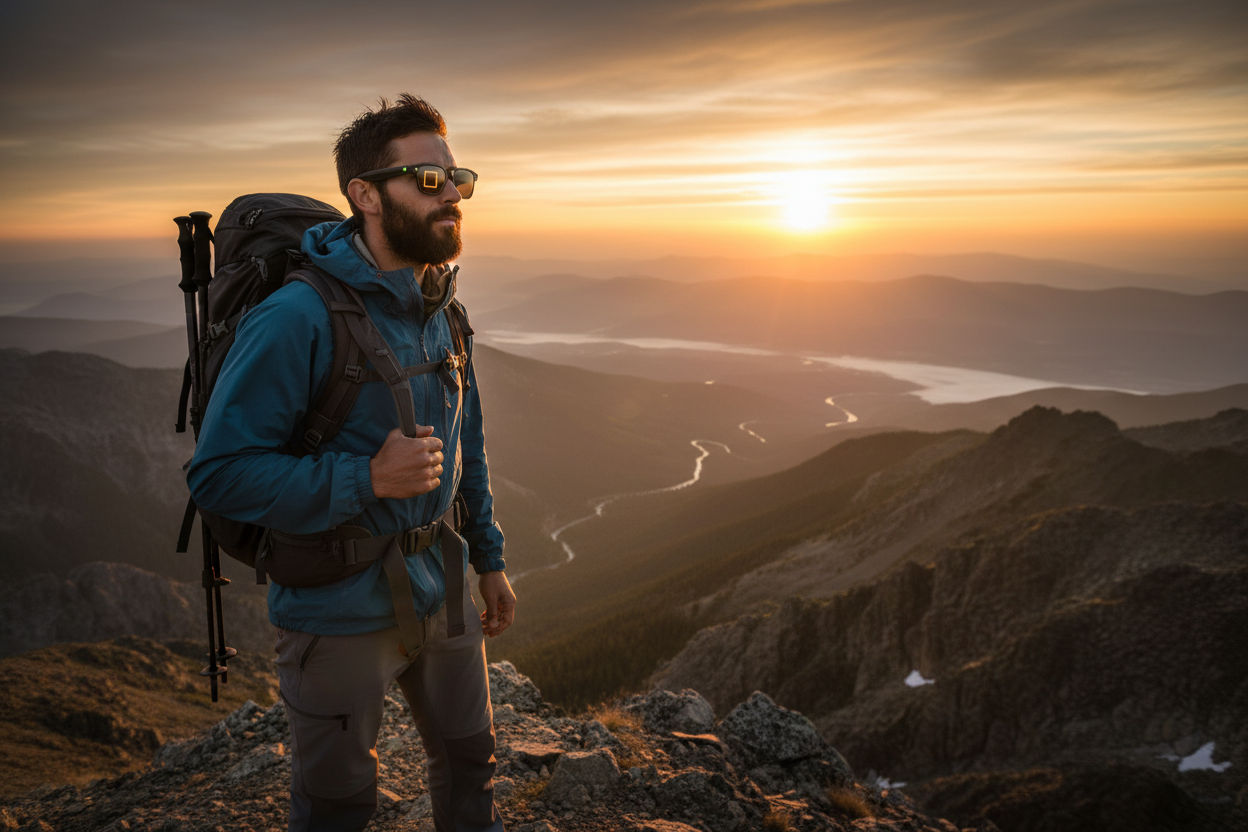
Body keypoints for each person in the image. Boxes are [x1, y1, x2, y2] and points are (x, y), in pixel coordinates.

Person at [187, 94, 514, 832]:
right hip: (335, 604)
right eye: (427, 180)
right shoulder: (296, 317)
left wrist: (488, 557)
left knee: (472, 764)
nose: (453, 193)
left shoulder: (442, 310)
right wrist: (365, 478)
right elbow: (218, 475)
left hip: (445, 583)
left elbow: (470, 446)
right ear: (364, 195)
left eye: (457, 177)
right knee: (338, 806)